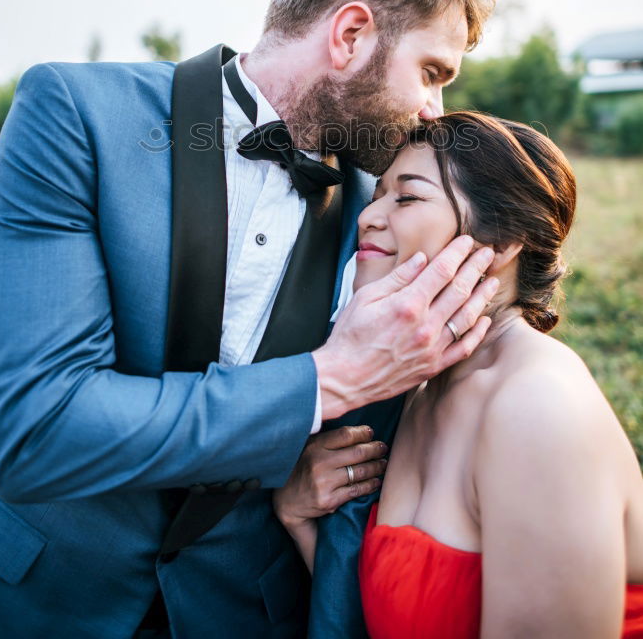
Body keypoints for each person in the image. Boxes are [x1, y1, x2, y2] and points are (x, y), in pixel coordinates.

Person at [0, 0, 496, 638]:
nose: (431, 112)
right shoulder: (77, 116)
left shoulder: (381, 218)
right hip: (34, 597)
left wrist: (292, 465)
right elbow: (42, 431)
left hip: (242, 611)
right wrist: (326, 379)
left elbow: (362, 459)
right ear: (349, 35)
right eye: (432, 73)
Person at [273, 112, 643, 638]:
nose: (368, 217)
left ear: (504, 239)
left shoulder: (537, 407)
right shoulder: (419, 385)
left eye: (407, 197)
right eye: (377, 195)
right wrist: (298, 517)